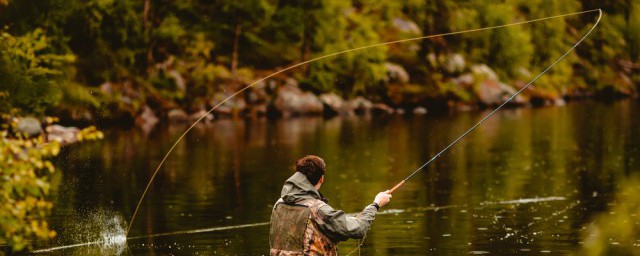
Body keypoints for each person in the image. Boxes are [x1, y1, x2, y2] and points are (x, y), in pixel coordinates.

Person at [269, 155, 392, 255]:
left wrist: (346, 221)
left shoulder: (279, 203)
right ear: (321, 179)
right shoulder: (318, 209)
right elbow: (358, 229)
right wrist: (376, 204)